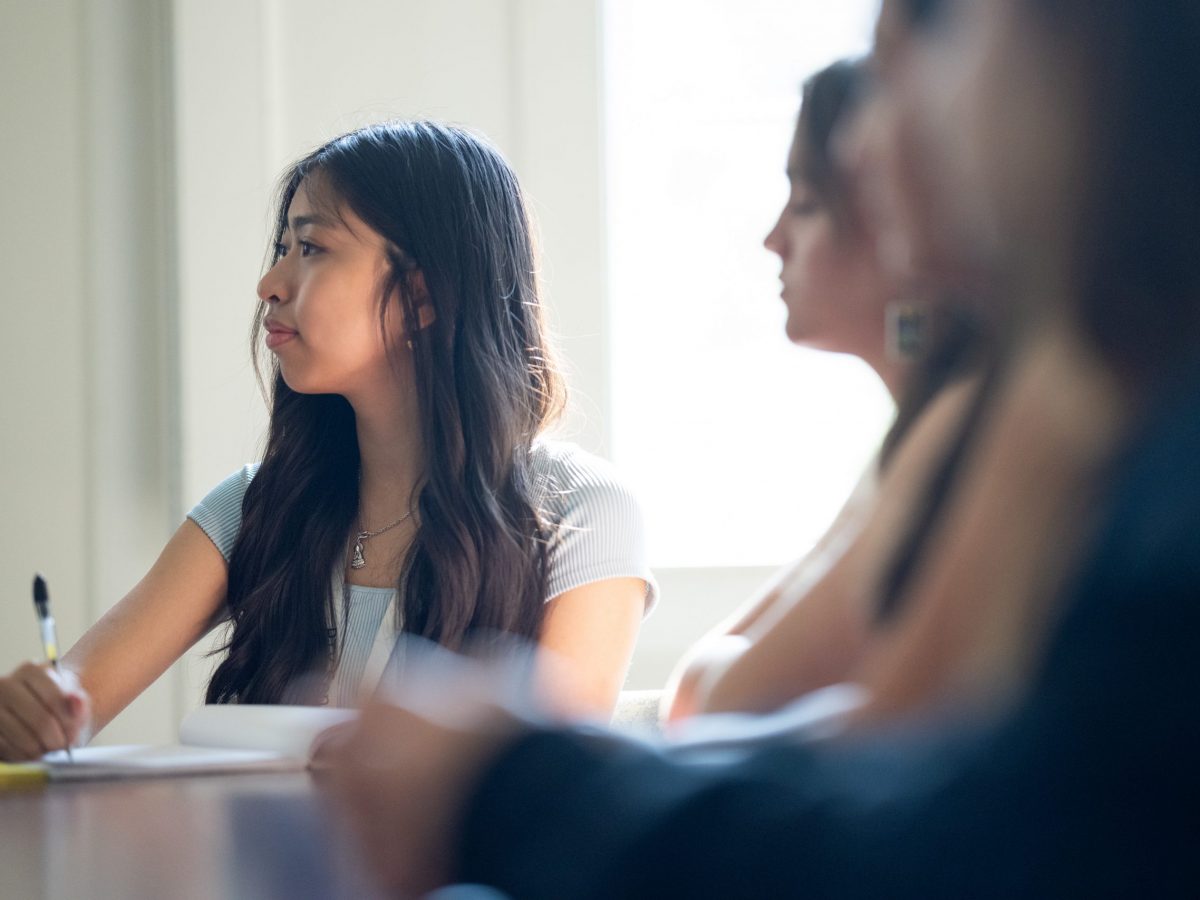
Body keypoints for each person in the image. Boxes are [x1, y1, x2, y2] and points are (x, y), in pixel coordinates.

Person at [323, 0, 1200, 895]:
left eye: (938, 29)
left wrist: (512, 779)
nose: (867, 147)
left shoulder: (1061, 419)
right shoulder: (1063, 406)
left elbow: (951, 819)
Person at [0, 121, 654, 762]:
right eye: (282, 248)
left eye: (310, 249)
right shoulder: (253, 505)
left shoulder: (581, 513)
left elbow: (554, 783)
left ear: (421, 295)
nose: (269, 285)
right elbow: (72, 704)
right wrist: (34, 714)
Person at [663, 57, 984, 722]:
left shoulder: (963, 425)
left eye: (806, 205)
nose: (773, 239)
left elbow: (714, 694)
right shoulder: (902, 444)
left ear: (894, 222)